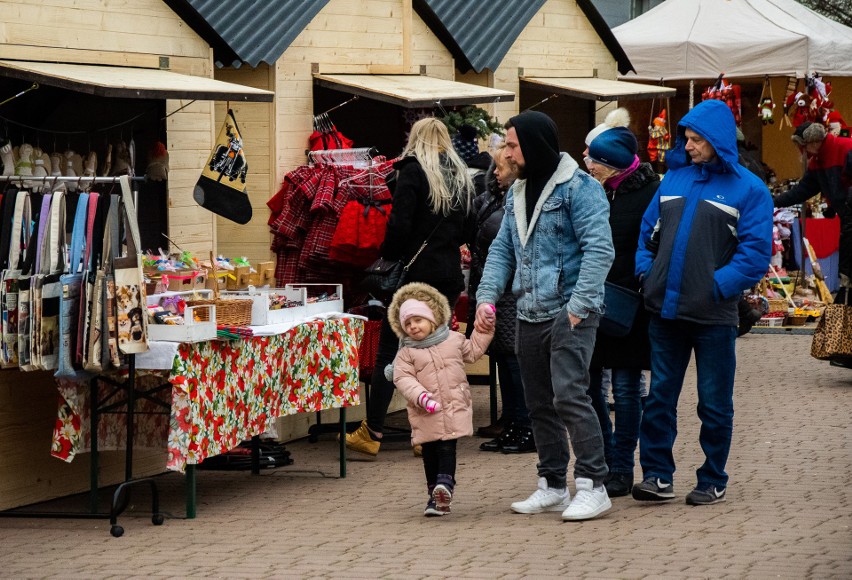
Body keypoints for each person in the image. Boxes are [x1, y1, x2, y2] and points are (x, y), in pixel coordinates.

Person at [474, 111, 615, 521]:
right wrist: (487, 298)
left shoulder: (579, 189)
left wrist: (578, 307)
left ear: (534, 145)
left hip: (571, 311)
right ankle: (552, 484)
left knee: (570, 396)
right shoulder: (517, 190)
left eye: (512, 144)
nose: (506, 152)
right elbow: (502, 250)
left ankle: (593, 485)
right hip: (529, 311)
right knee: (538, 403)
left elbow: (599, 249)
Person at [632, 100, 773, 506]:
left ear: (716, 141)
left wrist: (714, 287)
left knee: (714, 403)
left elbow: (754, 254)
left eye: (696, 140)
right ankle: (658, 476)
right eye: (686, 139)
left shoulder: (749, 188)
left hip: (714, 315)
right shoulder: (673, 179)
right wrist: (647, 274)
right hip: (665, 311)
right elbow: (647, 236)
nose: (688, 146)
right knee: (659, 398)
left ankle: (713, 477)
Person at [345, 117, 475, 458]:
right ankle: (427, 434)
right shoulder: (461, 175)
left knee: (392, 351)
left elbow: (399, 226)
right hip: (448, 275)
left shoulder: (413, 171)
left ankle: (372, 430)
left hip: (414, 277)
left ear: (414, 139)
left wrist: (389, 255)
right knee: (435, 355)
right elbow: (469, 228)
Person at [583, 123, 659, 497]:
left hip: (633, 305)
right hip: (590, 302)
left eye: (594, 159)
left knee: (628, 389)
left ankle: (623, 466)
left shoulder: (652, 192)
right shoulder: (590, 192)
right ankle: (606, 456)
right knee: (588, 384)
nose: (588, 164)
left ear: (612, 162)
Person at [387, 282, 493, 516]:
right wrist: (421, 397)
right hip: (425, 411)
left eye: (418, 320)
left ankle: (445, 486)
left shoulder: (453, 340)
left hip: (453, 407)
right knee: (429, 452)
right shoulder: (406, 353)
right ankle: (435, 496)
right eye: (408, 323)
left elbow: (474, 351)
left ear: (432, 319)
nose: (414, 327)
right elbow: (402, 378)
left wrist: (484, 329)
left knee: (446, 447)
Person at [466, 143, 533, 453]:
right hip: (498, 291)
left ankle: (525, 426)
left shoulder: (517, 202)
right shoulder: (494, 199)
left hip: (510, 292)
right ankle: (513, 422)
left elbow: (501, 245)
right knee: (505, 359)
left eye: (499, 168)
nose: (494, 172)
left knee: (513, 361)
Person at [772, 121, 852, 295]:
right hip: (847, 220)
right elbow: (802, 191)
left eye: (803, 146)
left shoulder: (845, 148)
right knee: (846, 271)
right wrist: (772, 201)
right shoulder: (817, 162)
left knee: (847, 269)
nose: (802, 151)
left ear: (814, 142)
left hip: (850, 218)